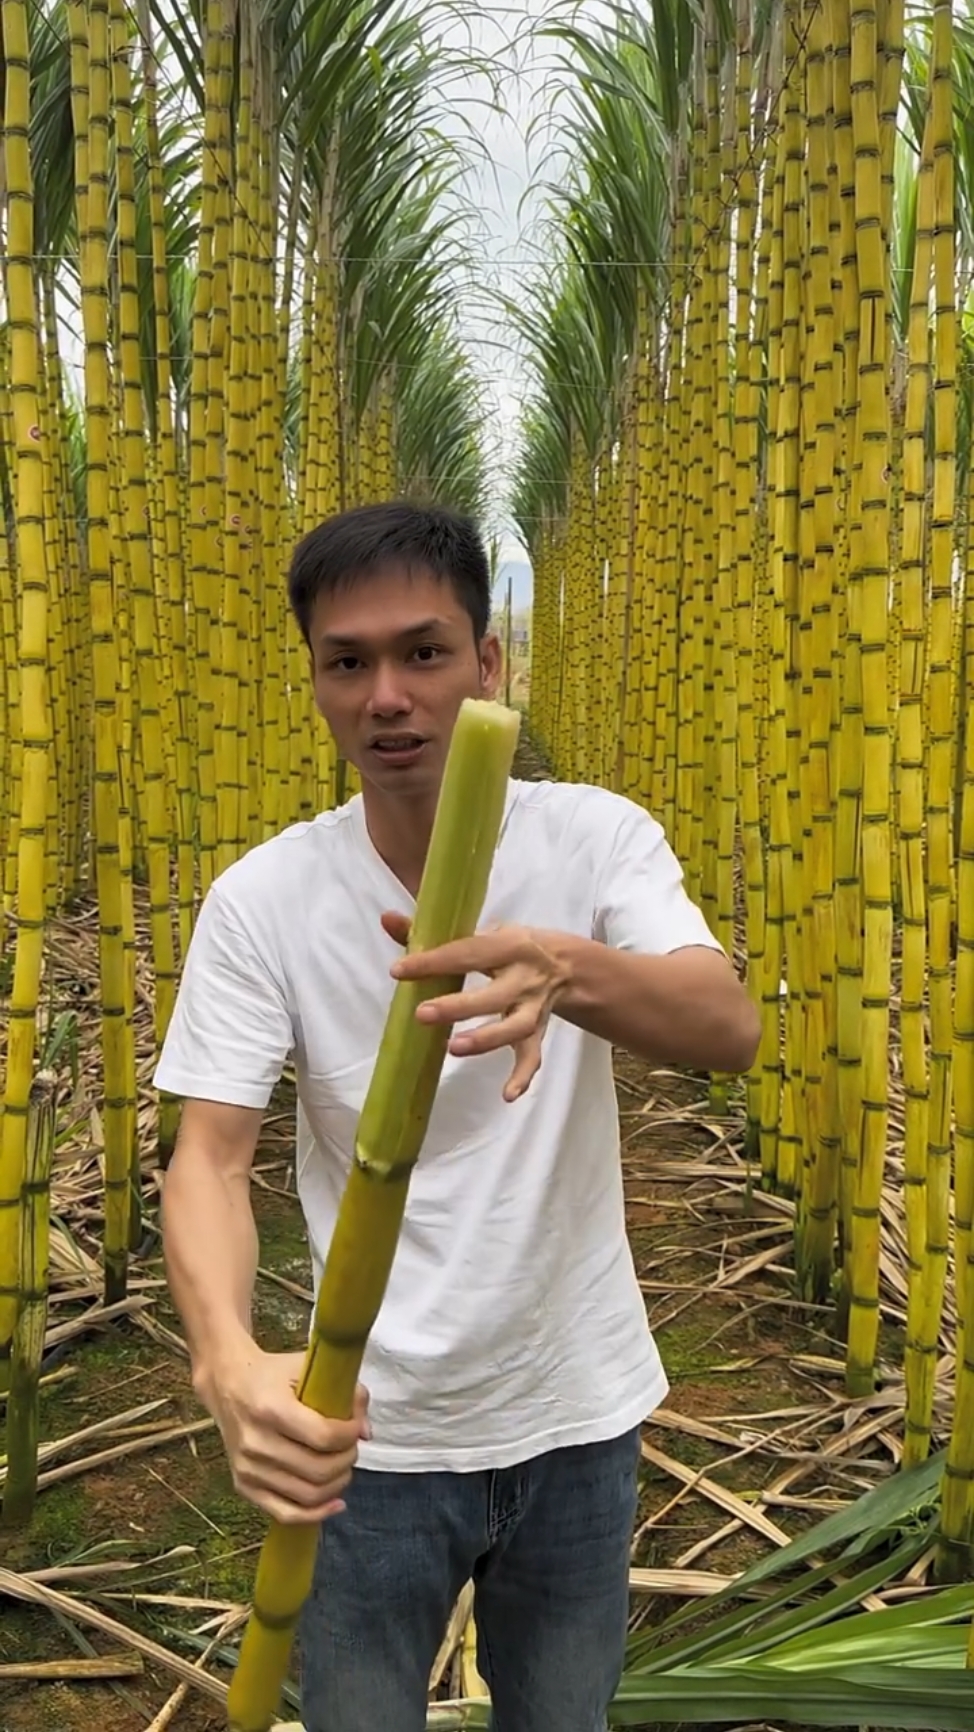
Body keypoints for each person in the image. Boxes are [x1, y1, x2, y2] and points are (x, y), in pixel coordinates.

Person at [154, 501, 760, 1732]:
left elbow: (722, 1023)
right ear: (316, 683)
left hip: (574, 1413)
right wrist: (225, 1360)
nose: (386, 694)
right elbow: (206, 1161)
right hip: (361, 1435)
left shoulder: (592, 839)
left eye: (423, 652)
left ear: (488, 666)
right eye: (347, 661)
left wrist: (564, 968)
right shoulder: (261, 899)